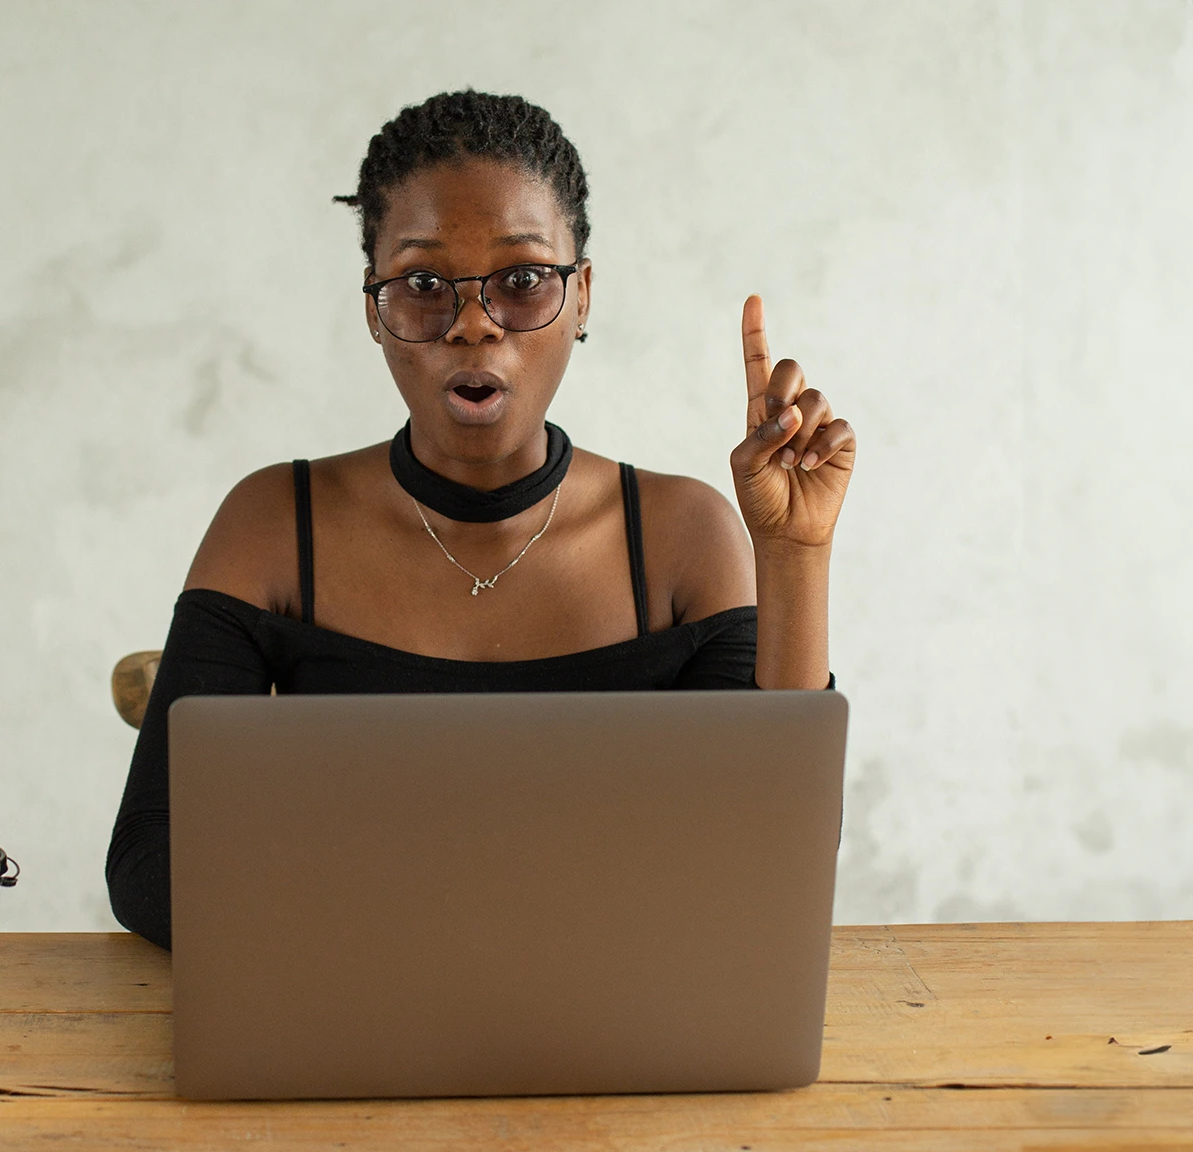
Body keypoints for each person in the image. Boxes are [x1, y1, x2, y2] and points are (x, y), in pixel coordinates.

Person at [105, 91, 854, 950]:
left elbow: (776, 863)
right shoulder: (276, 526)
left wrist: (795, 554)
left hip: (613, 1044)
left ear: (581, 301)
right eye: (424, 285)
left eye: (523, 281)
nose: (472, 323)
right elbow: (151, 872)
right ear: (373, 308)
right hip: (356, 1035)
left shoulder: (684, 538)